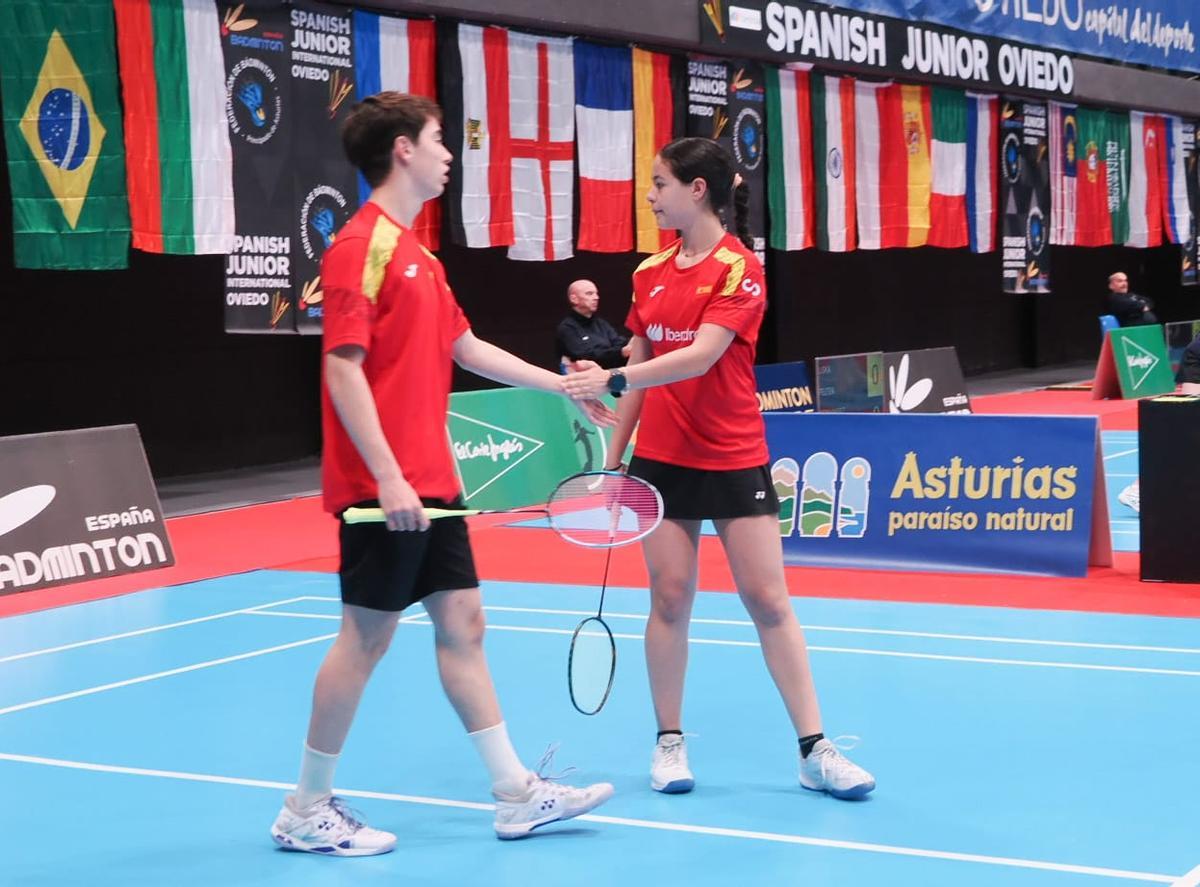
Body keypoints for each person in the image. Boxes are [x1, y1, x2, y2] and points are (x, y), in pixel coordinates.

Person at [270, 92, 616, 857]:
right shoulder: (360, 246)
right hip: (386, 486)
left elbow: (467, 348)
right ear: (402, 149)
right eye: (437, 138)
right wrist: (388, 475)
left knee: (464, 625)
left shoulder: (421, 256)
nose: (448, 153)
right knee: (364, 639)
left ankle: (516, 793)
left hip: (435, 478)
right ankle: (305, 806)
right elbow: (342, 368)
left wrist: (562, 387)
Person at [563, 138, 875, 800]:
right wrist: (614, 463)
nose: (651, 195)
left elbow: (700, 356)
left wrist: (611, 376)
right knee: (670, 598)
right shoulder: (649, 273)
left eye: (660, 184)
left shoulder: (741, 269)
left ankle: (814, 750)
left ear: (697, 189)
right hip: (662, 459)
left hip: (733, 454)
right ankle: (669, 741)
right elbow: (644, 367)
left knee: (769, 600)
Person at [555, 279, 632, 370]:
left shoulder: (601, 323)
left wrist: (631, 343)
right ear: (574, 299)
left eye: (596, 294)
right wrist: (620, 352)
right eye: (589, 293)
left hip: (611, 373)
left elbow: (619, 342)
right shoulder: (567, 328)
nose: (596, 297)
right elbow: (586, 357)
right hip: (585, 377)